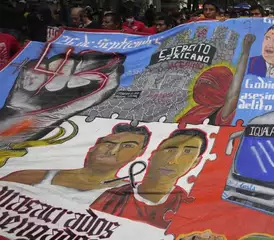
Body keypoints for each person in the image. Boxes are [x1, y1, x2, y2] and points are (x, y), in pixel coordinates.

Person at [2, 124, 150, 205]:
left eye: (128, 146)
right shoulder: (29, 176)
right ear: (94, 147)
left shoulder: (132, 197)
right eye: (109, 143)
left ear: (139, 153)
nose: (113, 150)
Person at [91, 129, 207, 229]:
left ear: (195, 162)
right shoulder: (113, 195)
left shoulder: (187, 208)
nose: (172, 160)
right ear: (153, 154)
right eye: (170, 149)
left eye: (187, 152)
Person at [179, 34, 255, 126]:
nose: (204, 88)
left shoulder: (222, 113)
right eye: (202, 83)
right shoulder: (196, 111)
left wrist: (245, 53)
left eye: (210, 84)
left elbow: (234, 92)